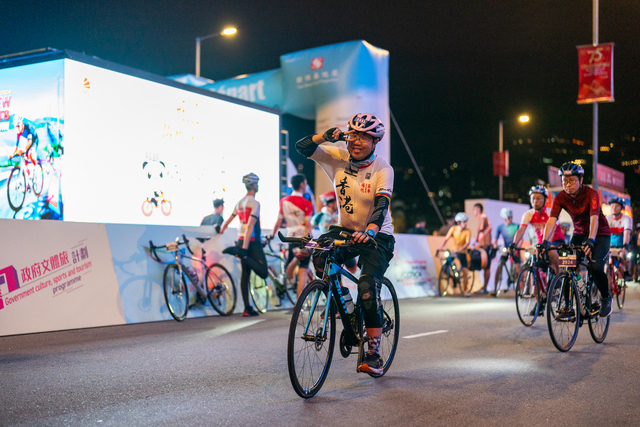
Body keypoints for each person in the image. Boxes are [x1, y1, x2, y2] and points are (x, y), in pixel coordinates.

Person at [295, 113, 395, 375]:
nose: (357, 141)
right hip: (346, 230)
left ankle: (374, 354)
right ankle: (347, 308)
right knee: (320, 255)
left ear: (375, 141)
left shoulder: (383, 169)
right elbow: (302, 146)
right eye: (353, 135)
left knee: (367, 287)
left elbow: (381, 206)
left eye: (364, 137)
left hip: (378, 236)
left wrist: (371, 231)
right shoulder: (337, 157)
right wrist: (326, 136)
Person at [539, 162, 612, 317]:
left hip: (600, 234)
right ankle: (567, 307)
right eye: (564, 181)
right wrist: (545, 241)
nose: (568, 185)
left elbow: (594, 219)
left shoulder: (591, 194)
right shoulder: (560, 197)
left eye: (572, 181)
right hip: (579, 234)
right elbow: (552, 220)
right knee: (567, 266)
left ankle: (606, 298)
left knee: (596, 267)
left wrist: (591, 240)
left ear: (581, 180)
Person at [219, 173, 269, 317]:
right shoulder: (255, 203)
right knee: (263, 272)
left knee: (245, 275)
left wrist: (221, 229)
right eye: (257, 183)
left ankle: (247, 308)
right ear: (253, 185)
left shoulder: (239, 203)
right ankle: (242, 255)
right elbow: (250, 226)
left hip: (241, 240)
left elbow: (229, 220)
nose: (258, 186)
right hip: (251, 242)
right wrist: (244, 251)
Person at [271, 174, 313, 297]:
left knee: (289, 274)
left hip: (291, 236)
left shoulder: (284, 201)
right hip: (303, 237)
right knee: (303, 272)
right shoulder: (306, 203)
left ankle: (296, 258)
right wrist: (309, 242)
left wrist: (272, 235)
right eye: (305, 183)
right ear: (301, 184)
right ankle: (299, 305)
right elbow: (308, 225)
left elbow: (278, 221)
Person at [513, 185, 565, 274]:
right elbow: (521, 230)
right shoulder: (528, 214)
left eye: (538, 198)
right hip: (541, 244)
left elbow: (552, 230)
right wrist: (514, 243)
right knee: (532, 263)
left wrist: (546, 244)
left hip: (556, 241)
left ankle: (558, 273)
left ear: (545, 199)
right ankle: (533, 282)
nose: (535, 201)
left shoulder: (551, 212)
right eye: (533, 198)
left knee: (551, 250)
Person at [439, 212, 472, 296]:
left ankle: (465, 290)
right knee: (447, 261)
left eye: (466, 222)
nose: (465, 224)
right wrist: (441, 247)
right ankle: (452, 276)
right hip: (454, 250)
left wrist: (460, 249)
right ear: (459, 222)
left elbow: (467, 242)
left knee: (465, 270)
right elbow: (446, 239)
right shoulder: (453, 228)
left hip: (462, 252)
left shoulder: (467, 231)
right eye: (464, 222)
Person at [493, 207, 521, 287]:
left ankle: (518, 286)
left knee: (517, 268)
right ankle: (495, 288)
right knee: (499, 265)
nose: (510, 219)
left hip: (515, 248)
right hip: (506, 249)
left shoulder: (516, 226)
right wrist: (495, 246)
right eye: (508, 218)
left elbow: (520, 239)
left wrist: (517, 247)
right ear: (504, 218)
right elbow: (495, 240)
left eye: (511, 217)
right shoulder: (500, 227)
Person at [606, 196, 632, 278]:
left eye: (617, 206)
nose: (614, 208)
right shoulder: (606, 219)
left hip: (621, 246)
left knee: (624, 257)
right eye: (612, 205)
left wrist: (625, 246)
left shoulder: (626, 219)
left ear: (621, 208)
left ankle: (626, 272)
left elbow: (627, 233)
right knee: (604, 263)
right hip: (609, 246)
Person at [472, 203, 493, 294]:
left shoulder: (483, 217)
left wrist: (474, 241)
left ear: (478, 210)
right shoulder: (482, 218)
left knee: (487, 267)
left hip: (486, 246)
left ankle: (484, 288)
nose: (473, 212)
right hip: (484, 246)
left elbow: (479, 230)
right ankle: (484, 287)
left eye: (474, 210)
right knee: (485, 266)